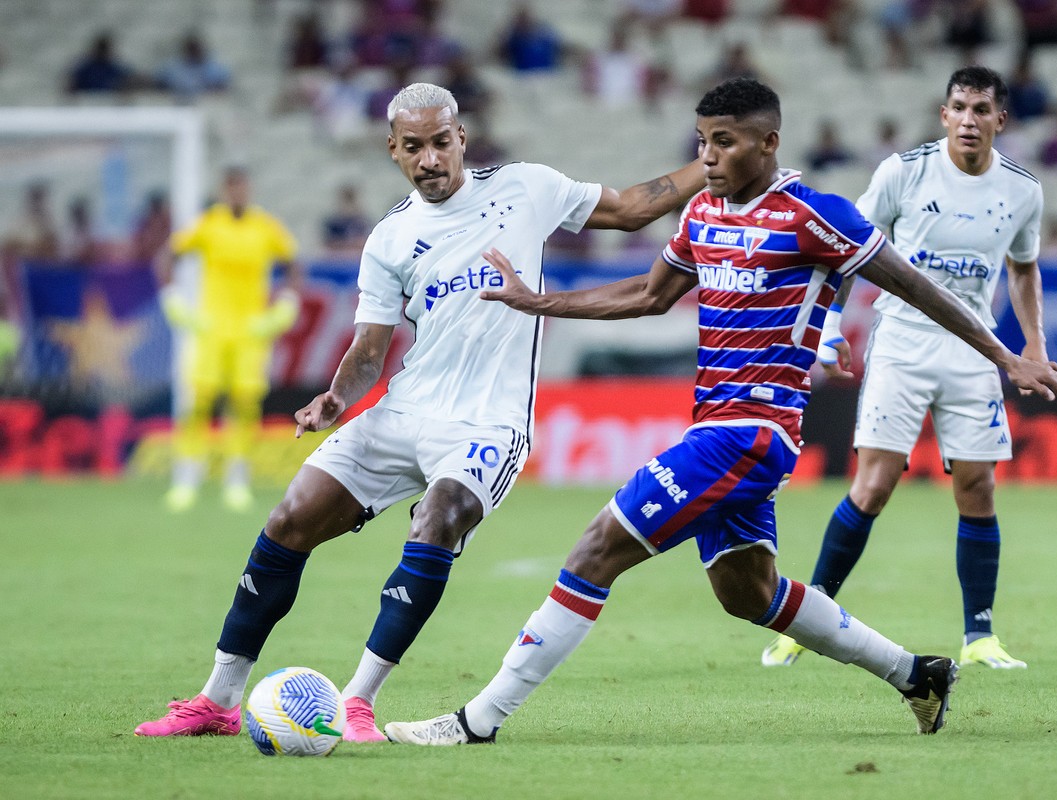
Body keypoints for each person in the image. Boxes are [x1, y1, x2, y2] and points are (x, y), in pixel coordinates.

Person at [382, 77, 1057, 747]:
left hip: (754, 431)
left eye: (723, 142)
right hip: (714, 427)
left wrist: (1005, 354)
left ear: (767, 143)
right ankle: (918, 675)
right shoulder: (704, 213)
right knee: (749, 593)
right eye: (701, 141)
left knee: (596, 550)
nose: (707, 157)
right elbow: (649, 295)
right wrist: (542, 301)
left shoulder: (815, 215)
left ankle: (478, 719)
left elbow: (915, 285)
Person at [134, 82, 706, 742]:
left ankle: (357, 700)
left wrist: (711, 165)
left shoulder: (527, 188)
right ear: (394, 151)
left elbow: (635, 208)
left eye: (441, 143)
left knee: (439, 519)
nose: (430, 158)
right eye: (414, 148)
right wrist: (337, 398)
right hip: (403, 411)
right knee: (289, 519)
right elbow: (370, 350)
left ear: (461, 138)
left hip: (488, 424)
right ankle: (217, 700)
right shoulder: (391, 237)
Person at [761, 66, 1054, 672]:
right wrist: (831, 324)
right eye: (958, 108)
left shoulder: (1023, 190)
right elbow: (846, 246)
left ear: (1001, 119)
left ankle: (980, 637)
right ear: (943, 114)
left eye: (980, 109)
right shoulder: (905, 172)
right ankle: (807, 620)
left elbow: (1024, 269)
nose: (968, 120)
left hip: (976, 349)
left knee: (977, 488)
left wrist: (1035, 346)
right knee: (874, 485)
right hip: (903, 342)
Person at [158, 167, 300, 513]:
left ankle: (237, 479)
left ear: (248, 189)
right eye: (231, 187)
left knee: (245, 403)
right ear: (225, 190)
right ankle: (187, 477)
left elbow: (294, 266)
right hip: (212, 328)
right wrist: (172, 296)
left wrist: (285, 304)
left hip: (250, 331)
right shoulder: (209, 224)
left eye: (242, 187)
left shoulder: (265, 227)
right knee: (200, 401)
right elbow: (168, 257)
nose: (237, 193)